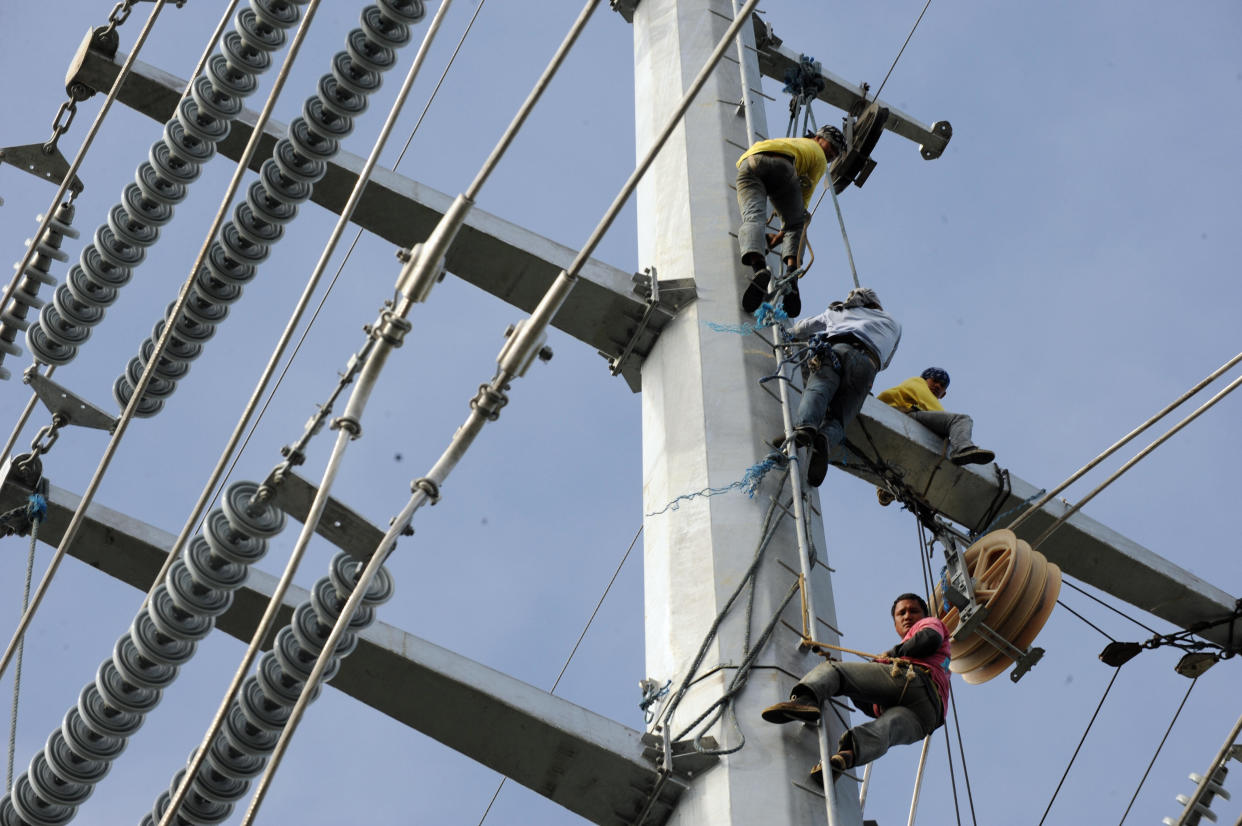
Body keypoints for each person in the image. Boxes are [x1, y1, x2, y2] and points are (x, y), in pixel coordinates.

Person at [761, 593, 950, 784]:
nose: (907, 616)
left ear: (924, 616)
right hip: (928, 716)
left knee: (834, 671)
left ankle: (805, 700)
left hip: (915, 680)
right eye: (901, 613)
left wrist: (891, 654)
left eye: (913, 611)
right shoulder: (910, 646)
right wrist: (856, 688)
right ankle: (846, 756)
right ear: (895, 624)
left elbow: (929, 639)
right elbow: (872, 707)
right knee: (884, 730)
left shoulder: (931, 624)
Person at [784, 287, 901, 488]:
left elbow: (803, 328)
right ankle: (825, 438)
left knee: (819, 388)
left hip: (835, 351)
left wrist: (785, 334)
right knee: (840, 416)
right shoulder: (893, 324)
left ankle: (806, 426)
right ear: (876, 304)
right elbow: (887, 361)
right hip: (867, 365)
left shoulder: (839, 311)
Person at [734, 125, 847, 317]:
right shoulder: (818, 156)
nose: (833, 154)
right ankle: (791, 276)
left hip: (749, 162)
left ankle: (759, 269)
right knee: (799, 223)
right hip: (781, 167)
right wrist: (786, 232)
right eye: (833, 147)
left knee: (753, 218)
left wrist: (777, 239)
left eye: (836, 154)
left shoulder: (794, 144)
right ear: (819, 139)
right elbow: (798, 215)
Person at [877, 368, 995, 467]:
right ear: (925, 379)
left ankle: (884, 492)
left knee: (895, 456)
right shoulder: (917, 382)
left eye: (942, 385)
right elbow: (930, 404)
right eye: (935, 381)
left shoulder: (925, 402)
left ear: (943, 394)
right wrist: (947, 430)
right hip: (905, 412)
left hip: (905, 417)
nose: (938, 385)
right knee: (960, 420)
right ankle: (963, 449)